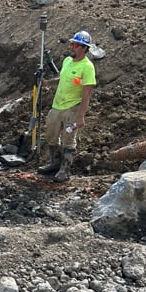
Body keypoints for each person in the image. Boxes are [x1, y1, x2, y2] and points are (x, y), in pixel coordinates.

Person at [37, 30, 97, 182]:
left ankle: (65, 169)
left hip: (73, 107)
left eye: (76, 45)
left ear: (84, 48)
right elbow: (62, 78)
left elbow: (86, 94)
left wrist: (80, 116)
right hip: (57, 106)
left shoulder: (87, 67)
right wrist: (47, 83)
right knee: (51, 135)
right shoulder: (67, 61)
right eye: (72, 44)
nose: (72, 47)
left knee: (68, 138)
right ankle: (54, 163)